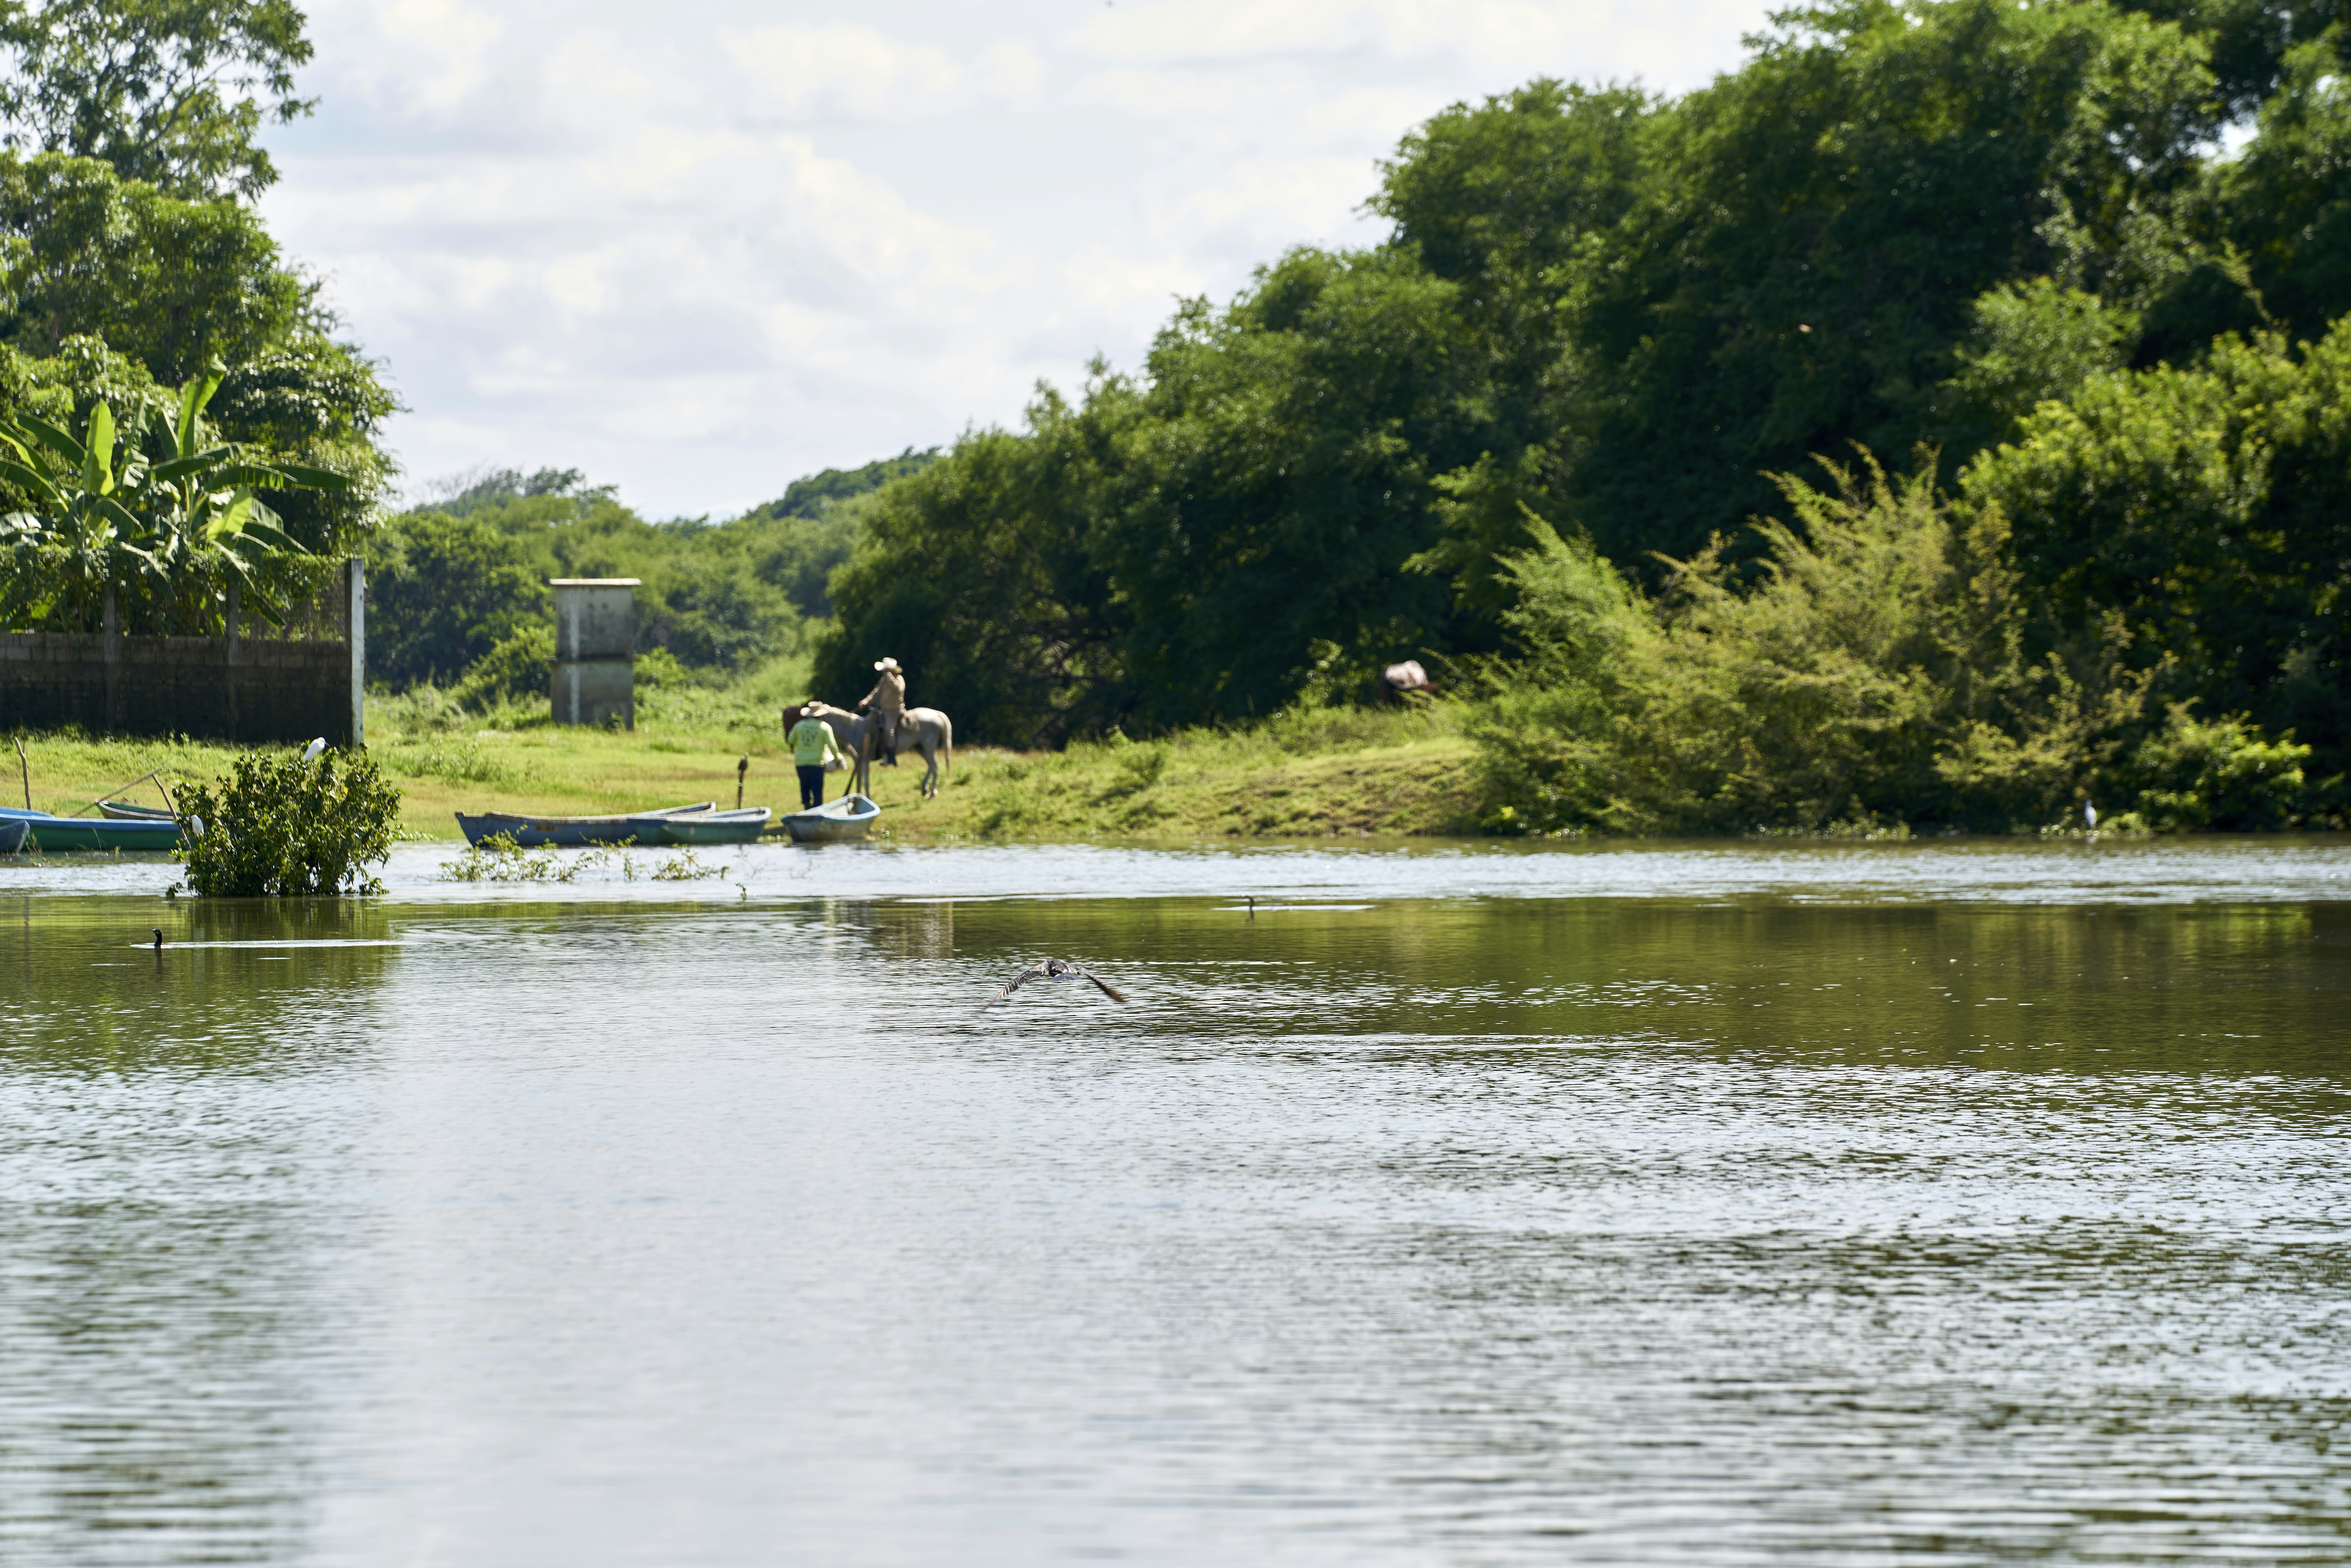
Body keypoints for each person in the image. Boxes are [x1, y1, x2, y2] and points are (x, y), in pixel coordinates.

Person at [785, 703, 842, 809]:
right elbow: (833, 746)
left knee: (804, 787)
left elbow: (790, 740)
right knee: (817, 791)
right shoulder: (825, 727)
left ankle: (807, 809)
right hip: (817, 764)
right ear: (821, 715)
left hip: (801, 763)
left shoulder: (799, 725)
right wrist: (837, 759)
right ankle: (817, 815)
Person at [859, 656, 907, 766]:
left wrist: (889, 676)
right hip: (884, 711)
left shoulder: (899, 679)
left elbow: (898, 689)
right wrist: (865, 702)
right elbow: (875, 694)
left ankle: (891, 758)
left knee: (888, 731)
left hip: (894, 711)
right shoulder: (884, 680)